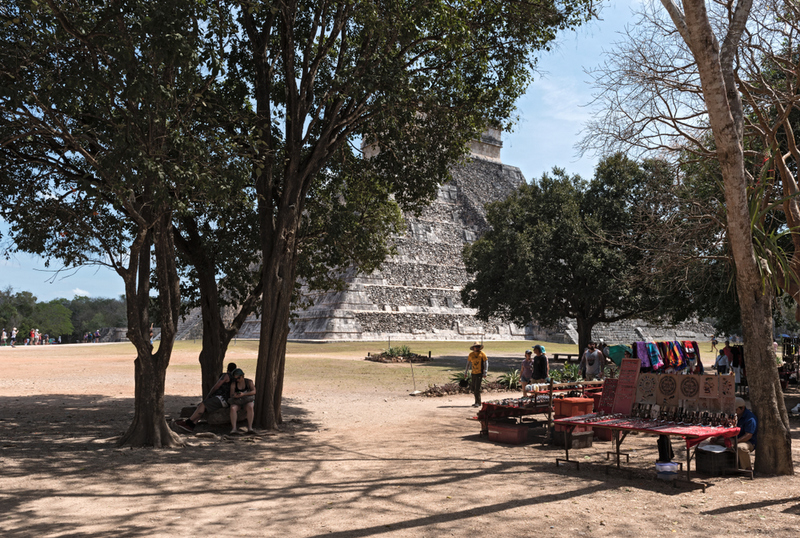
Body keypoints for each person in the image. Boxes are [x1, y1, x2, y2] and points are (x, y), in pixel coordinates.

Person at [175, 362, 238, 433]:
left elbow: (216, 386)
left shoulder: (226, 375)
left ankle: (188, 422)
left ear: (228, 369)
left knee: (203, 404)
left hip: (221, 399)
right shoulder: (236, 379)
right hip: (226, 401)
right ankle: (191, 426)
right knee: (203, 408)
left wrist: (209, 395)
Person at [228, 368, 256, 435]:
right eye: (235, 379)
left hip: (247, 401)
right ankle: (234, 429)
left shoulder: (249, 382)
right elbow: (231, 395)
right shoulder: (233, 384)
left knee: (250, 406)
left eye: (238, 378)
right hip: (238, 402)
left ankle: (250, 428)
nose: (237, 380)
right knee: (233, 408)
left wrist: (244, 394)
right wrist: (235, 395)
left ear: (242, 376)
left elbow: (254, 391)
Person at [733, 397, 757, 471]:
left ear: (742, 408)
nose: (734, 411)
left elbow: (748, 435)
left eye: (736, 409)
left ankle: (747, 469)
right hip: (735, 438)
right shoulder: (735, 416)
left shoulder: (750, 418)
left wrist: (735, 442)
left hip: (748, 442)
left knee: (740, 448)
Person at [466, 341, 488, 407]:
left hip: (479, 373)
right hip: (473, 373)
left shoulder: (482, 354)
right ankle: (476, 401)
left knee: (477, 388)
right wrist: (466, 372)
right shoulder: (471, 354)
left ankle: (478, 402)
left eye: (478, 347)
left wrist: (485, 372)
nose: (477, 348)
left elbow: (486, 363)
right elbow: (468, 364)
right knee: (473, 388)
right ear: (473, 348)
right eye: (476, 347)